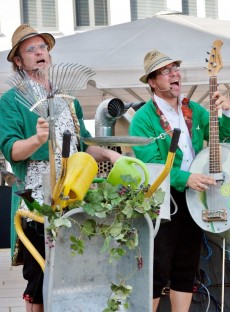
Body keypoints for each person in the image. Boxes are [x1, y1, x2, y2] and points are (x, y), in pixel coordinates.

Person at [0, 24, 121, 312]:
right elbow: (11, 150)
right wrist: (38, 139)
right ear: (18, 60)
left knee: (74, 275)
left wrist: (107, 153)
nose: (40, 53)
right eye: (31, 50)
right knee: (40, 279)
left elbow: (80, 148)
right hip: (36, 199)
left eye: (43, 47)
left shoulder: (68, 99)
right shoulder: (11, 101)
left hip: (72, 195)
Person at [129, 49, 230, 312]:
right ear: (152, 82)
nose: (174, 74)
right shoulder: (143, 119)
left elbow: (221, 140)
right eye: (166, 71)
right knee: (157, 271)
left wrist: (229, 111)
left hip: (194, 196)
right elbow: (151, 166)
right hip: (163, 200)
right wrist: (187, 178)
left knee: (187, 268)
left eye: (176, 68)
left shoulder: (194, 109)